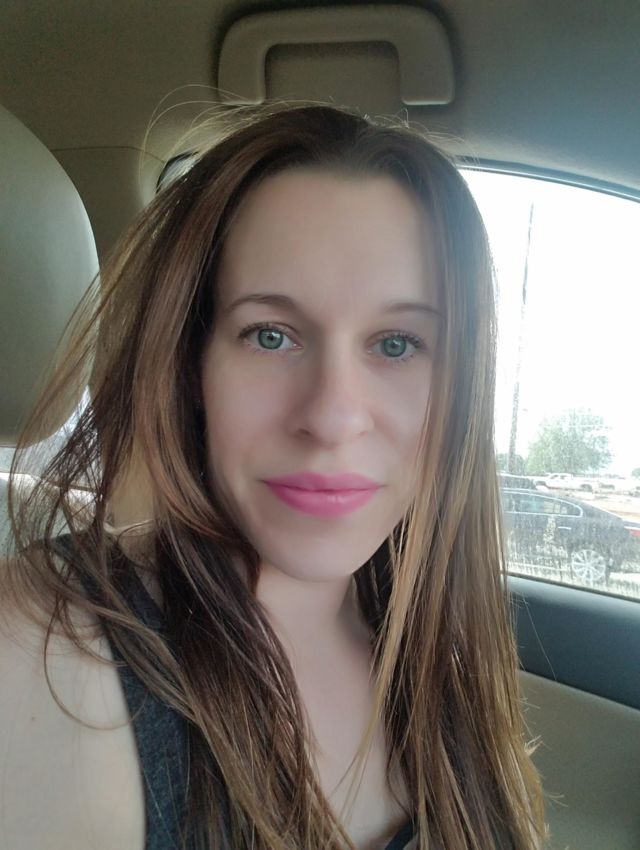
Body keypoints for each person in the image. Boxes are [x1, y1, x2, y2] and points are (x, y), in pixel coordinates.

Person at [0, 104, 546, 850]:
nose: (332, 417)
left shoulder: (429, 638)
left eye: (396, 343)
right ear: (191, 365)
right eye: (269, 335)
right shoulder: (46, 655)